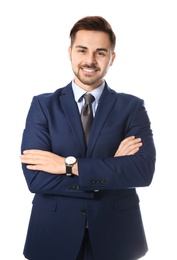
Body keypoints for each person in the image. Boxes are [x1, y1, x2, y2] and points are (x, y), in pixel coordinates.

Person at [20, 16, 156, 260]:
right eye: (82, 50)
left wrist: (65, 166)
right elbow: (36, 179)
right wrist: (111, 169)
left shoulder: (132, 107)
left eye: (100, 53)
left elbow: (142, 172)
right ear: (70, 52)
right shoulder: (42, 105)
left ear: (112, 58)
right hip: (52, 234)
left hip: (118, 237)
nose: (90, 61)